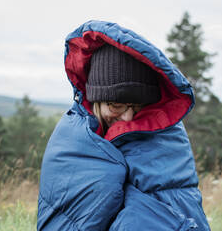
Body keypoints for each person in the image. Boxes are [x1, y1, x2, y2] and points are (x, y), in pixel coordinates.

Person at [37, 20, 211, 230]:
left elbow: (181, 202)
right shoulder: (71, 138)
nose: (128, 117)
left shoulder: (166, 133)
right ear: (96, 100)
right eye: (116, 105)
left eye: (137, 107)